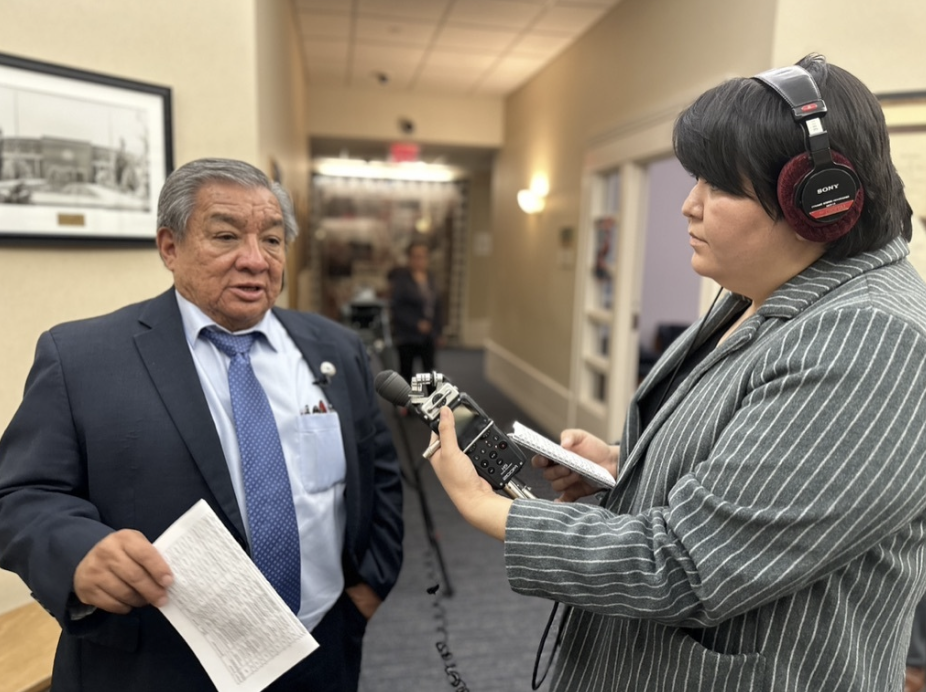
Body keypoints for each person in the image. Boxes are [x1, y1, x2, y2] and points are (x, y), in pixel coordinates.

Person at [426, 54, 926, 691]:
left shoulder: (870, 339)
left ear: (818, 202)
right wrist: (619, 466)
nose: (688, 206)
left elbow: (688, 564)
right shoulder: (764, 293)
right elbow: (761, 473)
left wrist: (485, 506)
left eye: (718, 187)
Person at [0, 158, 404, 692]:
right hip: (158, 666)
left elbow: (380, 474)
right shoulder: (81, 358)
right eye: (226, 236)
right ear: (170, 247)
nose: (255, 260)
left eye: (274, 240)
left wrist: (364, 595)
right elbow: (21, 494)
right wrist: (74, 551)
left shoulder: (335, 348)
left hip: (320, 649)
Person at [388, 239, 444, 384]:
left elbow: (436, 306)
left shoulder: (431, 279)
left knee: (431, 374)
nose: (420, 260)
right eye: (416, 256)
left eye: (423, 256)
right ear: (410, 258)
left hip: (428, 336)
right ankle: (407, 405)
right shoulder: (402, 280)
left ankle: (432, 404)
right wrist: (416, 324)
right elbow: (397, 308)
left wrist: (438, 330)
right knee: (407, 374)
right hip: (408, 335)